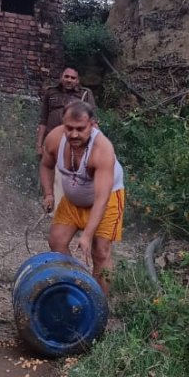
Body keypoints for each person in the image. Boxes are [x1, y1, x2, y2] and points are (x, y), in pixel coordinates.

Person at [40, 102, 124, 294]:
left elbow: (101, 199)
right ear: (63, 123)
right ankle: (80, 286)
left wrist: (86, 235)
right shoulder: (54, 138)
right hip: (73, 199)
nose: (74, 134)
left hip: (106, 199)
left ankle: (99, 305)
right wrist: (49, 194)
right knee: (56, 242)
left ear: (93, 125)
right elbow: (46, 165)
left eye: (80, 129)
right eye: (69, 128)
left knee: (100, 252)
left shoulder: (102, 149)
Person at [36, 66, 96, 206]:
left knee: (68, 173)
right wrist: (39, 145)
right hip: (51, 141)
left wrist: (94, 145)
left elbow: (92, 121)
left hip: (73, 143)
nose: (69, 80)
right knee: (48, 169)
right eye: (66, 76)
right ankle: (48, 201)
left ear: (78, 80)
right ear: (61, 77)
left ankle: (65, 204)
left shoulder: (85, 94)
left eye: (73, 78)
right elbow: (43, 120)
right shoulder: (51, 93)